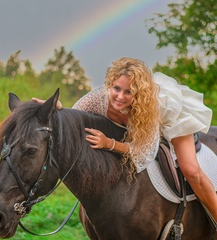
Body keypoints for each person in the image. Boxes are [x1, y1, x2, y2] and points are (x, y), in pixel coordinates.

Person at [33, 57, 217, 224]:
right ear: (109, 85)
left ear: (138, 93)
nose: (120, 97)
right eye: (116, 89)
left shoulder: (148, 106)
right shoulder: (98, 98)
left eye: (128, 92)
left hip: (171, 117)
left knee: (191, 170)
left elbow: (145, 150)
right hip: (142, 131)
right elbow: (74, 117)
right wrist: (56, 109)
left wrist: (109, 144)